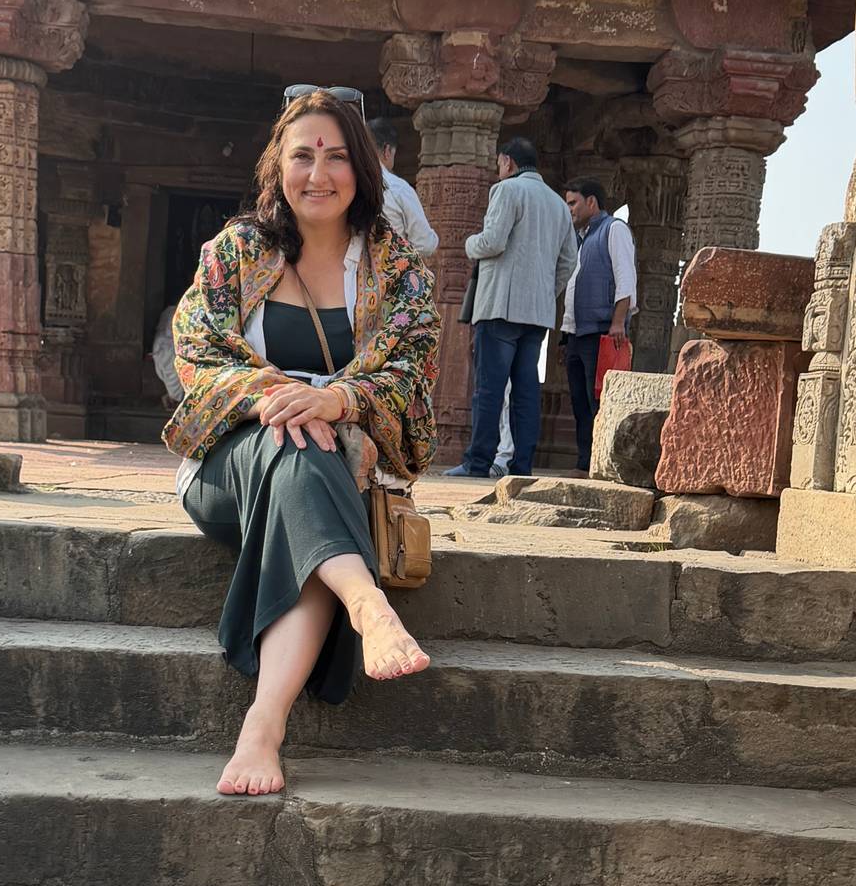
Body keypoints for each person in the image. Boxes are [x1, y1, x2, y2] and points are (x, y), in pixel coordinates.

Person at [165, 90, 439, 797]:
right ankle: (367, 603)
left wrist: (337, 400)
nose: (319, 174)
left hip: (336, 458)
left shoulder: (395, 266)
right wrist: (274, 398)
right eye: (302, 157)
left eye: (337, 157)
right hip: (231, 460)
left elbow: (412, 361)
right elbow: (196, 350)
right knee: (299, 445)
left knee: (308, 462)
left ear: (363, 170)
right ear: (277, 167)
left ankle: (263, 726)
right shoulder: (235, 252)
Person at [444, 137, 576, 479]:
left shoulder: (507, 190)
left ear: (508, 162)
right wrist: (546, 292)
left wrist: (469, 244)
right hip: (537, 312)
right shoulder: (558, 204)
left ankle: (478, 462)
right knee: (526, 391)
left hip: (500, 305)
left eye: (499, 163)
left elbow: (492, 242)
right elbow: (568, 261)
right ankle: (521, 466)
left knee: (489, 388)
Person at [561, 177, 636, 471]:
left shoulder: (614, 229)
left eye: (573, 203)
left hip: (602, 332)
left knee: (599, 402)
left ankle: (600, 463)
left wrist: (618, 322)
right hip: (577, 335)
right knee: (579, 402)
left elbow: (625, 278)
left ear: (591, 202)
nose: (570, 209)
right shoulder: (581, 238)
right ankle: (585, 462)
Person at [370, 120, 439, 256]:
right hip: (390, 265)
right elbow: (425, 244)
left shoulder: (346, 185)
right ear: (387, 150)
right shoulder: (397, 188)